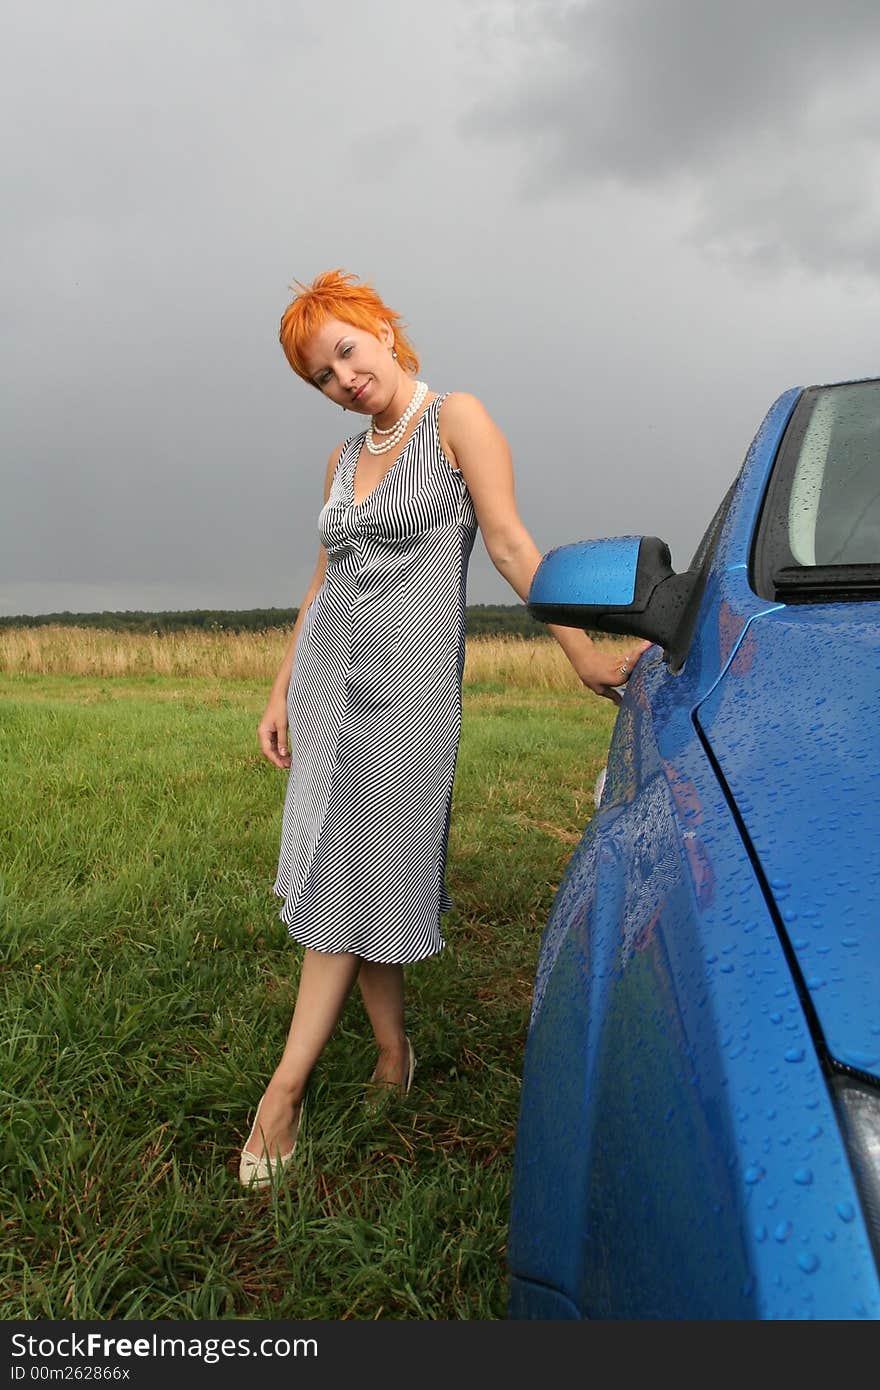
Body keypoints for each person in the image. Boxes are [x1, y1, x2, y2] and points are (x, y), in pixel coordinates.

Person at [239, 269, 649, 1187]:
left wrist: (581, 651)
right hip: (328, 686)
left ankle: (284, 1092)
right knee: (356, 872)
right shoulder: (345, 461)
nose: (343, 377)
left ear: (382, 328)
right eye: (321, 375)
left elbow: (509, 544)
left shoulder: (455, 417)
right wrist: (280, 687)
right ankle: (393, 1053)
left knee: (351, 875)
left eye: (345, 349)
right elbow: (320, 583)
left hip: (408, 698)